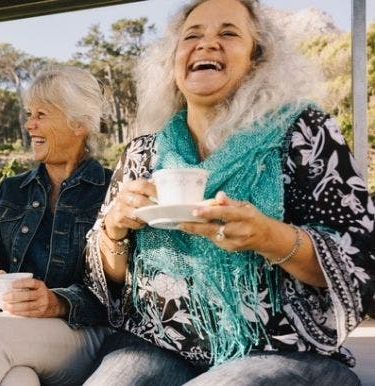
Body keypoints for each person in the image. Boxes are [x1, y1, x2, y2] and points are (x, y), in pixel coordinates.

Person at [83, 0, 375, 385]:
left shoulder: (304, 132)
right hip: (158, 344)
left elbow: (362, 257)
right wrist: (113, 230)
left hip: (282, 352)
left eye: (228, 33)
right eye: (192, 35)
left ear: (257, 60)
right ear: (173, 62)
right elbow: (103, 281)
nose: (207, 44)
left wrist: (270, 237)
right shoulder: (143, 152)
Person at [0, 66, 112, 386]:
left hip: (86, 336)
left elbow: (119, 295)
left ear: (79, 122)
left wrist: (58, 302)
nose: (29, 124)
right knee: (18, 379)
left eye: (41, 114)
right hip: (19, 333)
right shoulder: (12, 189)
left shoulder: (111, 189)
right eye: (29, 113)